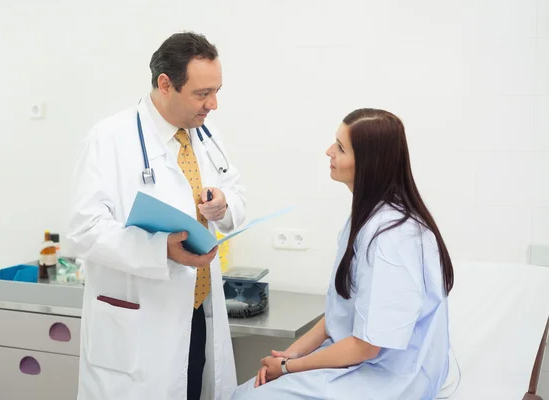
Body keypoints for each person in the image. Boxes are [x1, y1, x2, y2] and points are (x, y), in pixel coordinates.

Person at [67, 32, 246, 400]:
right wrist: (159, 248)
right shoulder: (109, 138)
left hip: (197, 313)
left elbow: (237, 195)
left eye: (217, 91)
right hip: (138, 324)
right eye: (202, 93)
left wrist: (224, 205)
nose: (213, 104)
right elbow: (84, 230)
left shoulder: (206, 136)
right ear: (166, 84)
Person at [231, 109, 455, 400]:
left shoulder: (392, 238)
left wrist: (288, 367)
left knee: (252, 398)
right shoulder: (366, 218)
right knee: (245, 392)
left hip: (390, 379)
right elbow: (341, 311)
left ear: (367, 163)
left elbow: (367, 346)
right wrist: (291, 353)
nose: (329, 152)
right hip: (361, 364)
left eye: (340, 147)